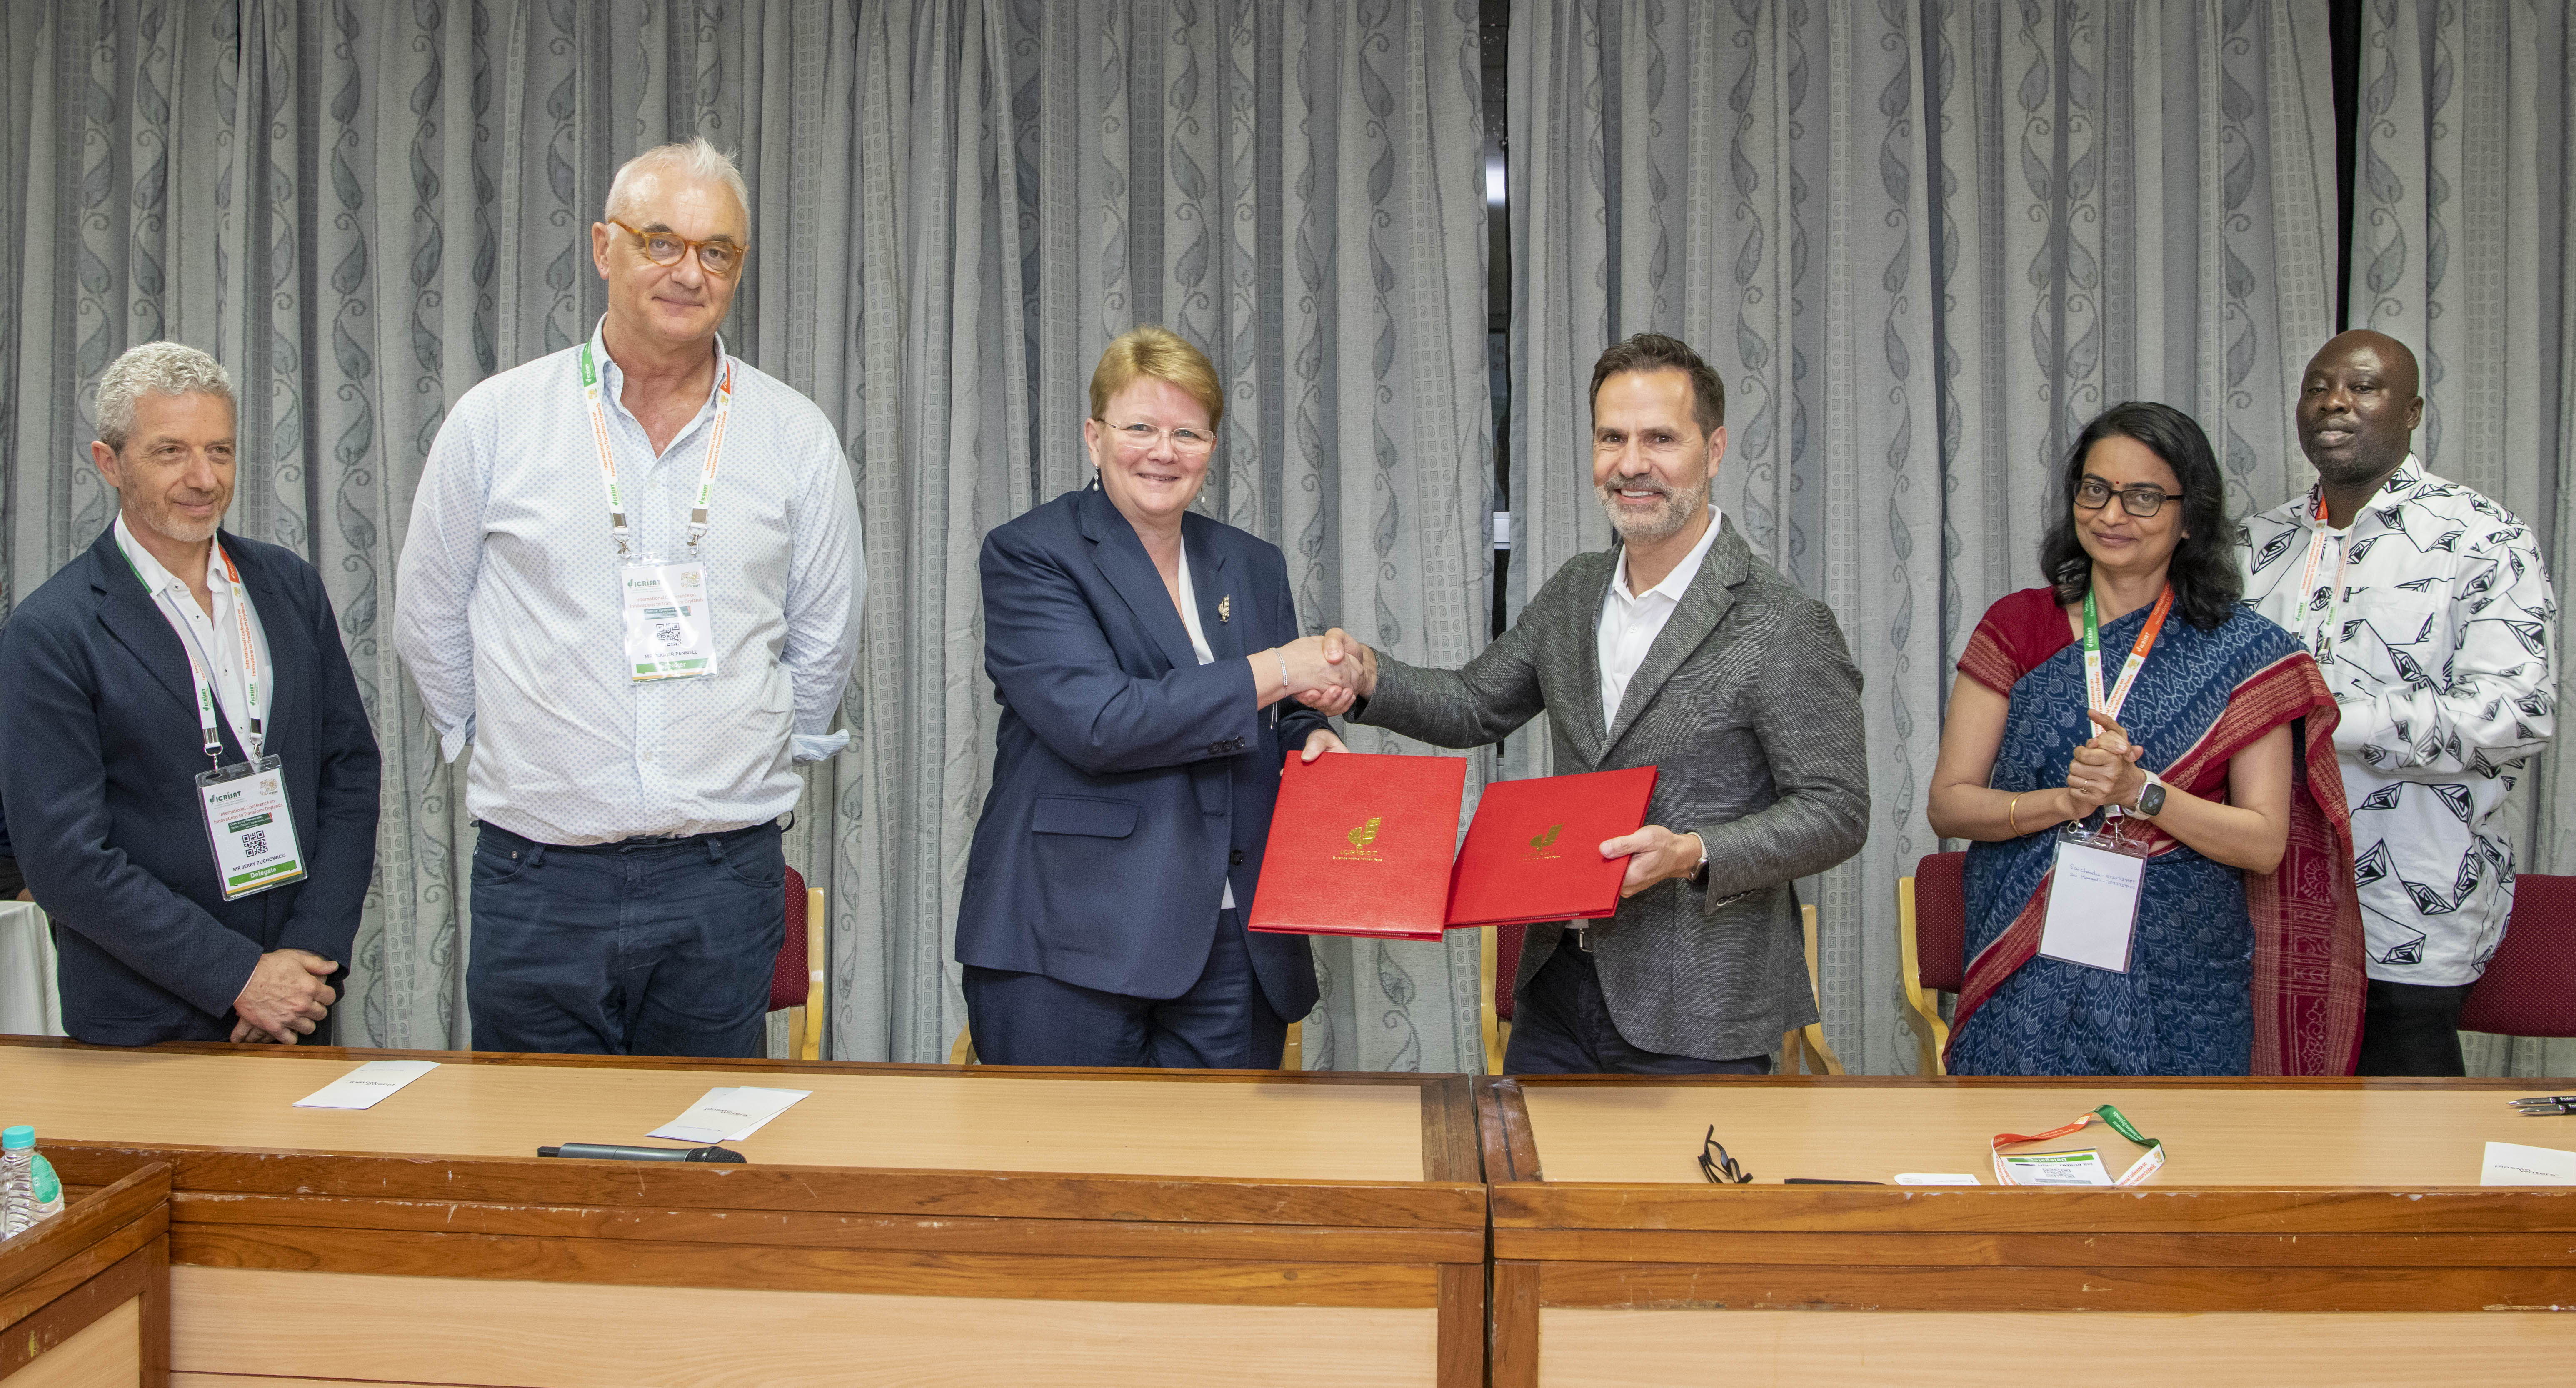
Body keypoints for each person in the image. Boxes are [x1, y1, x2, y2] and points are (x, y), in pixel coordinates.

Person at [394, 138, 863, 1058]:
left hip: (720, 873)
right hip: (538, 873)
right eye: (661, 241)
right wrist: (507, 753)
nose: (688, 271)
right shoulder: (496, 422)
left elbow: (824, 637)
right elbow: (430, 614)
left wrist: (750, 761)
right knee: (533, 1171)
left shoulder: (794, 436)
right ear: (605, 248)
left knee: (699, 1167)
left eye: (716, 251)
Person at [1314, 333, 1868, 1074]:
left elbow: (1836, 810)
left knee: (1674, 1197)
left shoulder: (1783, 620)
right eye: (1612, 437)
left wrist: (1691, 854)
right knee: (1530, 1192)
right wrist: (1368, 676)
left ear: (1715, 448)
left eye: (1660, 438)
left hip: (1698, 1013)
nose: (1631, 463)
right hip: (1556, 992)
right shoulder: (1576, 590)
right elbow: (1476, 703)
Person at [956, 325, 1355, 1068]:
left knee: (1220, 1179)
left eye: (1188, 432)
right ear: (1094, 436)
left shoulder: (1251, 563)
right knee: (1067, 1179)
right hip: (1073, 936)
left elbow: (1285, 710)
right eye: (1139, 428)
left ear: (1211, 446)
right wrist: (1279, 667)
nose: (1163, 451)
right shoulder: (1032, 553)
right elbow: (1102, 723)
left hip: (1237, 939)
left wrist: (1312, 741)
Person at [1929, 401, 2361, 1076]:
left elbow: (2264, 842)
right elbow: (1950, 805)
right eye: (2095, 490)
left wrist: (2142, 793)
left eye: (2144, 497)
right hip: (2025, 953)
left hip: (2182, 977)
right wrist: (2065, 803)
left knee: (2180, 1163)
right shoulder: (2018, 627)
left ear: (2191, 517)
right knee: (2015, 1150)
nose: (2112, 515)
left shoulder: (2245, 655)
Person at [0, 342, 380, 1046]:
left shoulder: (289, 587)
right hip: (144, 1026)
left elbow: (350, 773)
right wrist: (240, 978)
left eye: (222, 451)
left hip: (296, 1008)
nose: (203, 478)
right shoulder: (52, 631)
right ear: (109, 462)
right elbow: (64, 860)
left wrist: (305, 961)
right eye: (171, 452)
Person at [2241, 331, 2557, 1076]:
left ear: (2412, 410)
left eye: (2363, 387)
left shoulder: (2482, 538)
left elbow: (2514, 715)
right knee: (2267, 1153)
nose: (2335, 402)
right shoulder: (2255, 545)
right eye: (2318, 386)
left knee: (2408, 1163)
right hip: (2262, 899)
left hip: (2410, 907)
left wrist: (2327, 716)